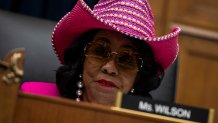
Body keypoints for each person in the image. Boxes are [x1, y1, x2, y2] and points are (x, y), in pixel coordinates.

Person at [21, 0, 181, 106]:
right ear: (81, 57)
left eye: (126, 59)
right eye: (100, 51)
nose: (109, 68)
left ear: (139, 76)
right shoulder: (33, 99)